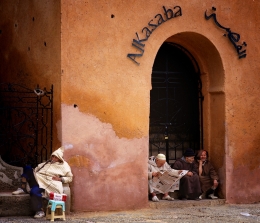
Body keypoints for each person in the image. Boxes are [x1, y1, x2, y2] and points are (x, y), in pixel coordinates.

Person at [12, 146, 73, 219]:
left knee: (34, 192)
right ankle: (23, 188)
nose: (53, 159)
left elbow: (70, 178)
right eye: (52, 156)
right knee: (27, 168)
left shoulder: (64, 166)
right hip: (37, 179)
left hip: (47, 183)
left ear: (59, 158)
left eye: (55, 157)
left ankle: (40, 211)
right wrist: (34, 172)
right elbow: (37, 168)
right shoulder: (47, 163)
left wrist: (60, 179)